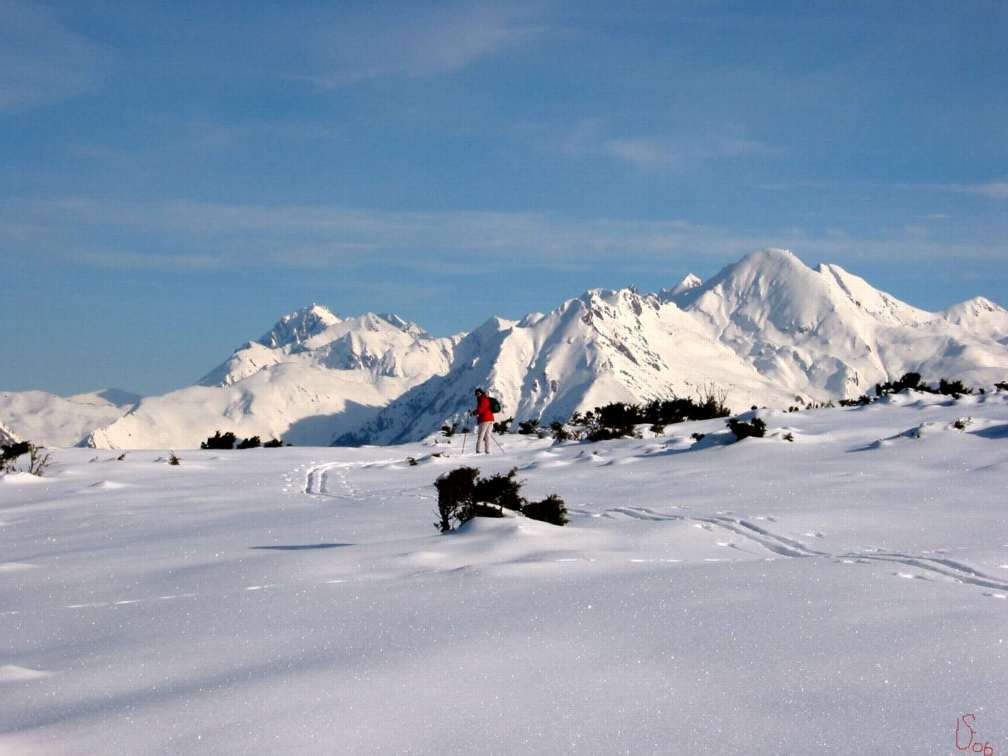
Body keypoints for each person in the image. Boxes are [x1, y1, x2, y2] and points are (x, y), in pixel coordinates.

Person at [471, 388, 494, 454]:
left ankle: (478, 450)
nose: (477, 395)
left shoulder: (482, 399)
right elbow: (482, 409)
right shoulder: (485, 399)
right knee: (487, 435)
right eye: (476, 394)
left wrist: (473, 413)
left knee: (481, 435)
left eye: (478, 393)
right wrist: (474, 412)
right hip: (490, 419)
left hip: (485, 419)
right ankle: (487, 451)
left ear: (481, 393)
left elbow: (480, 410)